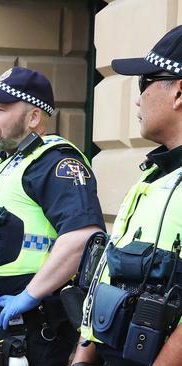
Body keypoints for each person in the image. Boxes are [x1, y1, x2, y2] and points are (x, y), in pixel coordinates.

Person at [0, 67, 104, 366]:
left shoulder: (55, 162)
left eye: (0, 109)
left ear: (34, 117)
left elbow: (81, 236)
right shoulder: (5, 164)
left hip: (29, 334)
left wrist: (30, 295)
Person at [74, 25, 182, 366]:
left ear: (179, 91)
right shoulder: (154, 175)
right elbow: (108, 275)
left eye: (144, 83)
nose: (138, 98)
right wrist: (83, 356)